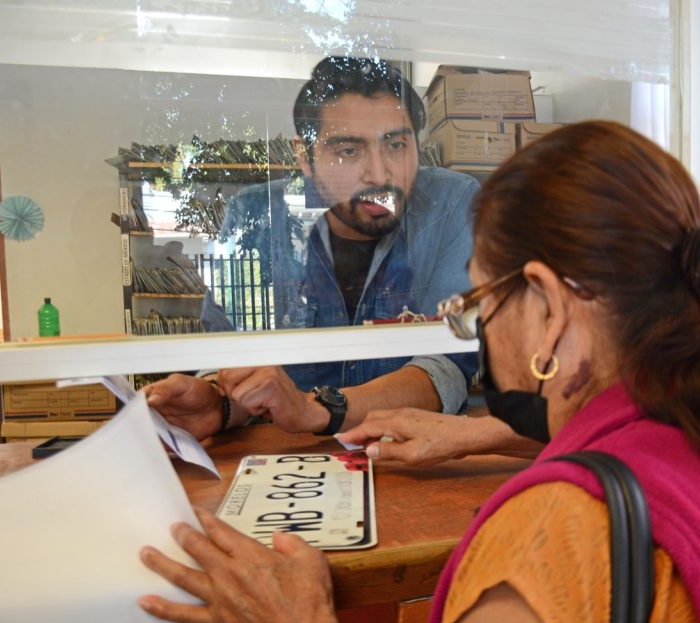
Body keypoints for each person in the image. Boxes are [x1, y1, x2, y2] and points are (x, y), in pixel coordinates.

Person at [138, 120, 700, 623]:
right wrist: (481, 434)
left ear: (548, 307)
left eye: (481, 303)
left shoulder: (553, 541)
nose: (479, 331)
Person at [144, 56, 478, 439]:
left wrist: (317, 409)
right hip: (290, 456)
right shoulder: (256, 216)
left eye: (396, 145)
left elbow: (447, 366)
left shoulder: (452, 204)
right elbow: (233, 355)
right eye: (348, 151)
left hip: (412, 452)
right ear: (304, 157)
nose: (379, 174)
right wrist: (218, 403)